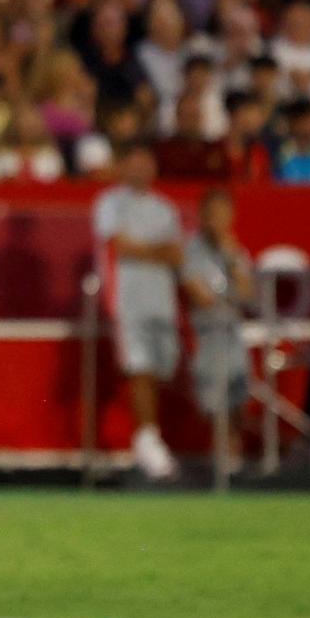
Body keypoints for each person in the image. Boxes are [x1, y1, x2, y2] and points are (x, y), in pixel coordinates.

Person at [93, 143, 185, 481]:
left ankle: (148, 436)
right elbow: (118, 246)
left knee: (160, 369)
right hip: (127, 300)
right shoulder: (110, 203)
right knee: (140, 368)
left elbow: (176, 254)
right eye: (135, 162)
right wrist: (155, 250)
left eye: (147, 163)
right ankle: (148, 440)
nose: (141, 170)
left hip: (161, 300)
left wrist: (144, 250)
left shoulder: (165, 208)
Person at [182, 188, 254, 467]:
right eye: (213, 214)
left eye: (223, 214)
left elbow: (247, 294)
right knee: (214, 399)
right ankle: (221, 459)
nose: (218, 221)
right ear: (202, 216)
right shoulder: (191, 250)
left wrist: (230, 255)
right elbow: (201, 296)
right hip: (207, 334)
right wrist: (227, 297)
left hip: (232, 331)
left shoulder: (235, 251)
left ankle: (234, 457)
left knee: (237, 396)